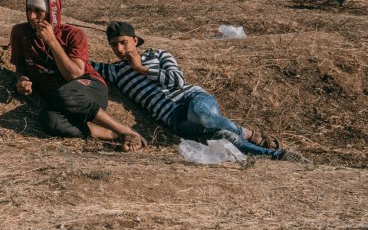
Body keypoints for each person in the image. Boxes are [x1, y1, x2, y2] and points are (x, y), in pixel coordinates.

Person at [93, 21, 305, 162]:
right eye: (114, 45)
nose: (119, 50)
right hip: (173, 118)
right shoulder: (114, 71)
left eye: (123, 42)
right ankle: (277, 156)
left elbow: (178, 80)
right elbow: (80, 61)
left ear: (135, 40)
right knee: (221, 136)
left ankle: (250, 134)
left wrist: (141, 68)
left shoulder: (157, 55)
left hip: (192, 98)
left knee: (202, 116)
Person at [9, 0, 144, 150]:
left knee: (65, 93)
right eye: (28, 9)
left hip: (89, 87)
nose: (32, 16)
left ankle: (123, 130)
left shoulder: (73, 34)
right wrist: (22, 80)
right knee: (49, 120)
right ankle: (110, 134)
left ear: (52, 12)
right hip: (59, 99)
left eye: (38, 11)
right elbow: (21, 68)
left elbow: (75, 74)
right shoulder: (20, 32)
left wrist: (52, 41)